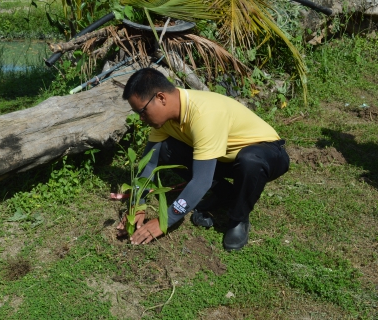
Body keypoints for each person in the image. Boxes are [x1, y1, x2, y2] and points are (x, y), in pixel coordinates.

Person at [116, 68, 290, 251]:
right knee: (165, 151)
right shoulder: (164, 121)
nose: (141, 118)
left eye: (142, 111)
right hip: (224, 157)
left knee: (250, 161)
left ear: (161, 98)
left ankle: (238, 218)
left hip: (267, 153)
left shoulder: (203, 113)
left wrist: (164, 221)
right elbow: (149, 163)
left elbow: (201, 181)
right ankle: (227, 194)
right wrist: (138, 205)